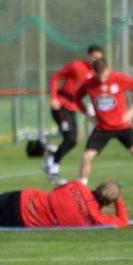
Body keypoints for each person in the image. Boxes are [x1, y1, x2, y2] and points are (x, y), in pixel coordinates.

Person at [74, 59, 133, 197]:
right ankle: (81, 190)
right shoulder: (89, 84)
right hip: (102, 127)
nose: (103, 79)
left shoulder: (119, 78)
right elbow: (77, 98)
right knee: (86, 156)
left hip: (123, 126)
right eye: (100, 76)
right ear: (95, 73)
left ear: (108, 69)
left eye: (105, 75)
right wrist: (88, 115)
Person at [0, 180, 128, 229]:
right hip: (24, 220)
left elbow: (57, 190)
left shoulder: (78, 186)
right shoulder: (96, 218)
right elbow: (123, 222)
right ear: (109, 203)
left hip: (23, 198)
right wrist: (119, 200)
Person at [45, 45, 103, 183]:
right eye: (94, 58)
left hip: (72, 107)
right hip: (61, 104)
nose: (96, 61)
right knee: (69, 138)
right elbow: (55, 77)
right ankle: (52, 168)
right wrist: (53, 97)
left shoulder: (95, 73)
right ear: (88, 56)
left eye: (99, 59)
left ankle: (51, 157)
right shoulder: (76, 66)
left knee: (72, 141)